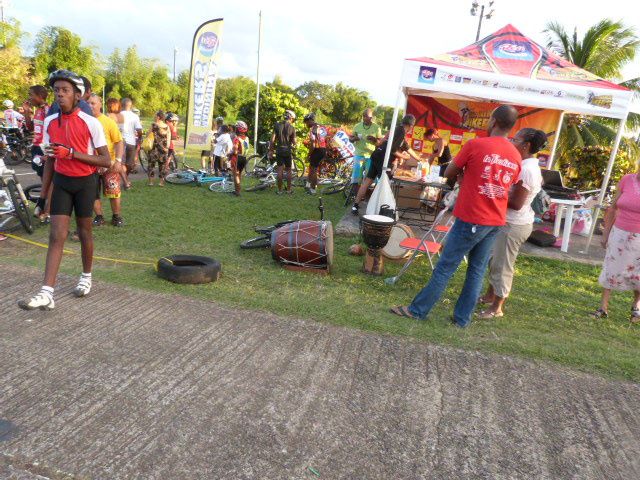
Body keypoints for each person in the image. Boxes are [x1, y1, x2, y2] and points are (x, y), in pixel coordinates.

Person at [390, 105, 522, 328]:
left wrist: (464, 178)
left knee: (445, 267)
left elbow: (449, 171)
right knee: (477, 271)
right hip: (495, 220)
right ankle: (462, 319)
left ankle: (417, 310)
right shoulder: (516, 155)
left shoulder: (476, 145)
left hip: (472, 216)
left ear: (494, 121)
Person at [18, 69, 110, 311]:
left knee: (84, 232)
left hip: (85, 183)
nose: (60, 94)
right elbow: (50, 160)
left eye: (65, 90)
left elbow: (106, 160)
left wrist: (71, 153)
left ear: (77, 95)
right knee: (56, 235)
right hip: (62, 182)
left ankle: (86, 276)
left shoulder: (91, 123)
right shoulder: (50, 121)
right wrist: (43, 196)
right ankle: (47, 292)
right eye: (57, 90)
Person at [477, 128, 546, 318]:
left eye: (515, 140)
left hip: (514, 224)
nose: (511, 142)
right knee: (495, 260)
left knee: (503, 265)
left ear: (526, 146)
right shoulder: (525, 165)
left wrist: (494, 193)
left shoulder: (526, 170)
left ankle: (497, 307)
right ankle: (490, 295)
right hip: (508, 222)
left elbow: (516, 203)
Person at [592, 168, 640, 323]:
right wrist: (606, 233)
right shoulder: (627, 179)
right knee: (611, 269)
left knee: (637, 273)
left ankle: (636, 307)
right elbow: (613, 208)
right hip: (619, 234)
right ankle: (603, 308)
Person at [351, 114, 422, 215]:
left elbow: (406, 146)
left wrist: (418, 158)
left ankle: (355, 206)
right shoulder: (401, 132)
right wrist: (404, 157)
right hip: (383, 160)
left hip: (376, 155)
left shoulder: (396, 128)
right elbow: (393, 150)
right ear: (411, 126)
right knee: (383, 185)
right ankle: (377, 210)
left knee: (367, 182)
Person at [88, 94, 125, 227]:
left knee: (113, 191)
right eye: (88, 103)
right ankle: (99, 216)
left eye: (93, 103)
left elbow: (119, 142)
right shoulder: (84, 121)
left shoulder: (108, 121)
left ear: (100, 104)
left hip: (109, 163)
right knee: (92, 192)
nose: (90, 106)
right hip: (90, 164)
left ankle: (116, 216)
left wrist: (118, 161)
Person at [22, 86, 50, 221]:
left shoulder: (47, 110)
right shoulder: (38, 110)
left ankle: (48, 211)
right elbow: (30, 127)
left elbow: (52, 130)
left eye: (31, 94)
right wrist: (27, 112)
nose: (29, 97)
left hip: (44, 148)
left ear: (40, 96)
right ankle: (44, 208)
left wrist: (48, 152)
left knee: (48, 181)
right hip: (36, 148)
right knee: (43, 178)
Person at [349, 108, 382, 189]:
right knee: (356, 178)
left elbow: (380, 143)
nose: (365, 118)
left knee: (369, 178)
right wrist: (354, 139)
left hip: (370, 156)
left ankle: (365, 197)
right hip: (359, 155)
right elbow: (350, 139)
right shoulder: (357, 126)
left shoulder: (376, 128)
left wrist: (374, 139)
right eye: (363, 116)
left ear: (371, 117)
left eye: (367, 117)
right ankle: (355, 196)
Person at [269, 110, 297, 195]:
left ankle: (280, 190)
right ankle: (288, 190)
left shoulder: (277, 125)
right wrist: (294, 144)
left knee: (280, 170)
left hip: (279, 150)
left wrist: (271, 150)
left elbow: (272, 140)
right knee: (288, 170)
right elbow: (294, 142)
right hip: (287, 150)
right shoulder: (292, 128)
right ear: (291, 118)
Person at [303, 113, 329, 195]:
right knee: (311, 167)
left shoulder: (313, 129)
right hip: (323, 149)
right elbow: (325, 138)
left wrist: (308, 155)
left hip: (317, 149)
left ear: (310, 120)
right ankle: (307, 185)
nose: (306, 124)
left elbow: (313, 144)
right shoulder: (321, 127)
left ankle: (313, 189)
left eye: (306, 122)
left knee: (313, 170)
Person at [120, 98, 143, 185]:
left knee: (121, 162)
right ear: (131, 106)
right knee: (129, 163)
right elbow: (139, 129)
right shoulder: (135, 116)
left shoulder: (118, 115)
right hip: (131, 142)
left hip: (120, 141)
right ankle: (125, 178)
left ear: (121, 105)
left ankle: (124, 178)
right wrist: (139, 138)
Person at [147, 111, 170, 186]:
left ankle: (151, 182)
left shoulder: (153, 125)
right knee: (162, 166)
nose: (154, 116)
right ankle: (161, 182)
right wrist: (167, 147)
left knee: (151, 165)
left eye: (155, 115)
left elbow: (148, 135)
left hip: (153, 148)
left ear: (158, 117)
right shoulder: (166, 126)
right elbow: (168, 138)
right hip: (163, 149)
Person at [229, 120, 250, 196]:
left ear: (237, 129)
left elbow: (235, 151)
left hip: (237, 158)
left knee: (235, 175)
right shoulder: (247, 138)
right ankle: (238, 190)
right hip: (244, 158)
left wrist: (230, 153)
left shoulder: (236, 139)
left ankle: (237, 191)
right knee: (239, 174)